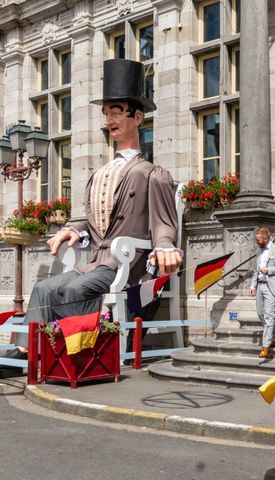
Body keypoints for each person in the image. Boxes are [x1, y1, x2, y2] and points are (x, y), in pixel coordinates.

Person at [1, 59, 182, 372]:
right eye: (106, 113)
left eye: (116, 111)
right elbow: (96, 218)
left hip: (126, 266)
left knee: (74, 290)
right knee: (45, 287)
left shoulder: (153, 174)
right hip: (94, 262)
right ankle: (27, 351)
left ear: (137, 117)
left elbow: (164, 223)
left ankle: (80, 351)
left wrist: (166, 247)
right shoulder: (98, 174)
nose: (109, 119)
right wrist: (74, 230)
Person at [249, 227, 275, 358]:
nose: (257, 242)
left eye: (258, 240)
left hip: (272, 287)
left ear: (265, 239)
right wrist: (253, 286)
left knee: (269, 315)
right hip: (260, 286)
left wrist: (269, 270)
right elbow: (256, 270)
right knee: (260, 314)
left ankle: (265, 347)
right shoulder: (259, 251)